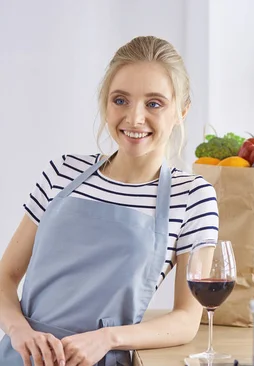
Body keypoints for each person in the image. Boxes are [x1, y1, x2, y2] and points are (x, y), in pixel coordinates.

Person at [0, 36, 219, 366]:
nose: (134, 118)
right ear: (105, 103)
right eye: (121, 100)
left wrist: (107, 338)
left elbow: (187, 320)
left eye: (154, 103)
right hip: (21, 357)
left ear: (181, 111)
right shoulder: (62, 172)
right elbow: (4, 277)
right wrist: (19, 331)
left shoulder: (192, 197)